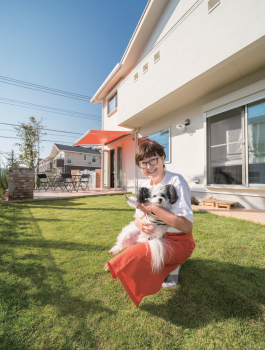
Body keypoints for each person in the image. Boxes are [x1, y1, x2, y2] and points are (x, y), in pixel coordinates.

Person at [104, 140, 195, 307]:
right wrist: (139, 224)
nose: (148, 166)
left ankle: (173, 265)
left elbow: (187, 226)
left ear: (162, 158)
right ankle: (166, 264)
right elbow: (138, 215)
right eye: (143, 163)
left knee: (131, 257)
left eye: (153, 160)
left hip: (178, 242)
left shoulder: (176, 181)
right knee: (131, 248)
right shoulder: (145, 186)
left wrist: (152, 207)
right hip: (153, 236)